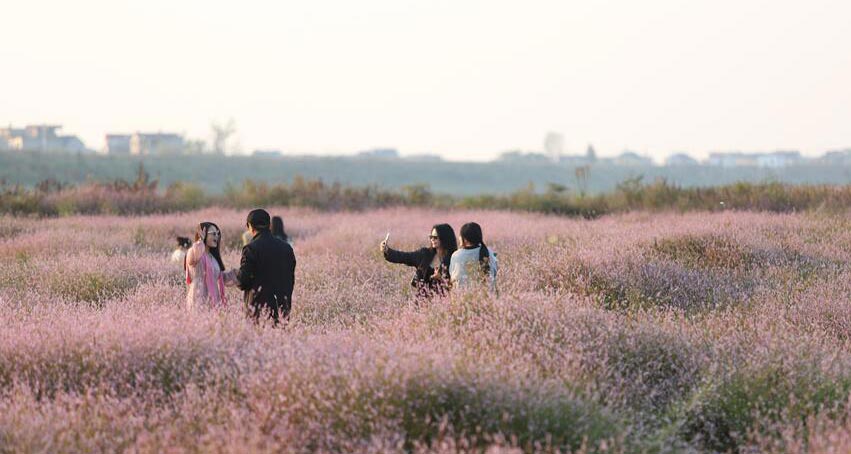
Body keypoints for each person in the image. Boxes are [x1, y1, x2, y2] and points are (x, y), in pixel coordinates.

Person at [236, 209, 297, 325]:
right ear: (269, 225)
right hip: (282, 307)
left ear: (249, 226)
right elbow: (290, 278)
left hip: (258, 309)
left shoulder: (251, 249)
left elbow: (242, 281)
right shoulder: (286, 248)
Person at [380, 224, 457, 297]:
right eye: (431, 237)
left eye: (435, 237)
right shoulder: (424, 254)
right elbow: (404, 257)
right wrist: (387, 250)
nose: (432, 239)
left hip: (444, 303)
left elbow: (458, 285)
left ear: (445, 238)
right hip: (422, 301)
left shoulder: (454, 258)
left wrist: (441, 279)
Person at [184, 222, 237, 311]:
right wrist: (200, 241)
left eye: (217, 234)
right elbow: (192, 259)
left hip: (213, 298)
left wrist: (236, 274)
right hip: (198, 297)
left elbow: (220, 278)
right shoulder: (194, 251)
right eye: (213, 234)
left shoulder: (212, 257)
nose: (217, 236)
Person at [449, 222, 498, 293]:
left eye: (460, 236)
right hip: (486, 297)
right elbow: (494, 272)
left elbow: (453, 276)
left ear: (465, 239)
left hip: (463, 298)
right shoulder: (488, 252)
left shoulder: (457, 255)